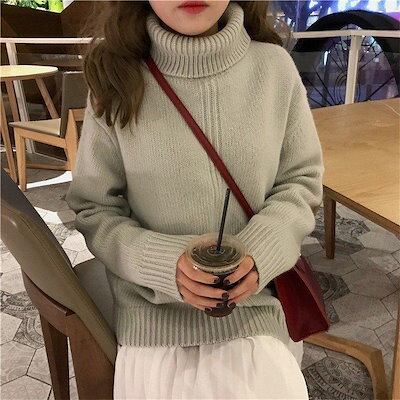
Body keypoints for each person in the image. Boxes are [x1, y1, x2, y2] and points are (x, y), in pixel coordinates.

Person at [65, 1, 324, 398]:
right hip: (153, 318)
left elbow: (300, 182)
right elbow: (95, 208)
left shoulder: (275, 70)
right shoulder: (116, 78)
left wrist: (261, 251)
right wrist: (164, 263)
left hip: (255, 311)